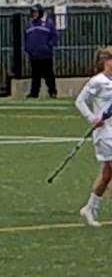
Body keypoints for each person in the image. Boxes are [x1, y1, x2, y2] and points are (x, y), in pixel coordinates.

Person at [74, 47, 112, 226]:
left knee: (107, 174)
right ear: (107, 62)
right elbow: (80, 101)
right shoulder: (97, 82)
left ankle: (90, 207)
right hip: (105, 133)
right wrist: (92, 118)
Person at [24, 3, 58, 98]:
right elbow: (26, 38)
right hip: (34, 55)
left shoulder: (48, 23)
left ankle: (52, 91)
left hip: (46, 54)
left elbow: (54, 36)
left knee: (48, 74)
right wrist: (28, 49)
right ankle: (34, 93)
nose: (34, 14)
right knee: (35, 75)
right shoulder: (29, 24)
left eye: (36, 12)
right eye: (33, 12)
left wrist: (48, 46)